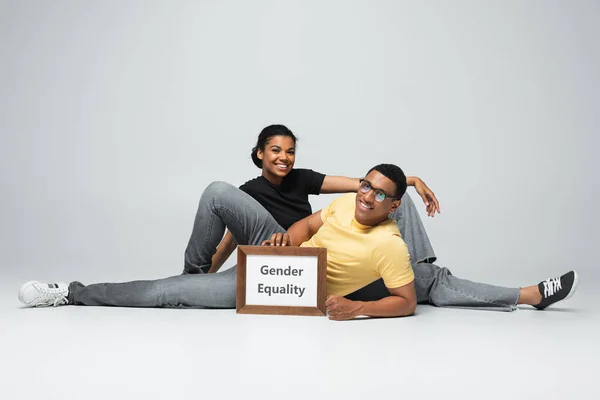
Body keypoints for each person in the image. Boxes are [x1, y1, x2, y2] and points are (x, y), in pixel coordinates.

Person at [203, 124, 579, 311]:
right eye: (274, 151)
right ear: (258, 154)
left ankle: (418, 270)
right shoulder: (248, 192)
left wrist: (411, 181)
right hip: (293, 254)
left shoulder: (304, 179)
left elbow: (365, 186)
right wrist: (210, 271)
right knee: (424, 278)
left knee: (401, 203)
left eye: (289, 151)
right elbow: (231, 240)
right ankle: (424, 277)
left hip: (353, 254)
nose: (283, 158)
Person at [19, 165, 419, 319]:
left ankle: (70, 294)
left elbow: (406, 300)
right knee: (217, 190)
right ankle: (194, 276)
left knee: (166, 293)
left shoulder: (390, 245)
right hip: (278, 254)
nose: (367, 196)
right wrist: (286, 238)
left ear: (394, 204)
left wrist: (357, 307)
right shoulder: (347, 202)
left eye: (380, 194)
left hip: (288, 289)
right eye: (366, 185)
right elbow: (305, 226)